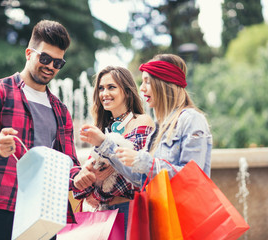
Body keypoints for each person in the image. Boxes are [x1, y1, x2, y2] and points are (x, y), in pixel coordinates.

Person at [0, 20, 81, 240]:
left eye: (58, 63)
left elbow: (68, 164)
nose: (51, 66)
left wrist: (84, 176)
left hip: (45, 212)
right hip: (2, 206)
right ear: (28, 53)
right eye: (45, 58)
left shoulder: (61, 111)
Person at [79, 53, 212, 191]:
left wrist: (144, 161)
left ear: (164, 83)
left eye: (147, 82)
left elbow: (193, 177)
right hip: (162, 211)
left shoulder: (191, 119)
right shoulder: (160, 127)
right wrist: (103, 143)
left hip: (183, 212)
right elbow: (139, 179)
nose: (141, 88)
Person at [73, 66, 154, 235]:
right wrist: (90, 178)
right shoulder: (104, 130)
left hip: (128, 212)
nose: (104, 93)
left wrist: (97, 185)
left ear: (126, 91)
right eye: (101, 88)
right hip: (103, 215)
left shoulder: (141, 122)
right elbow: (85, 188)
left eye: (111, 87)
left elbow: (133, 179)